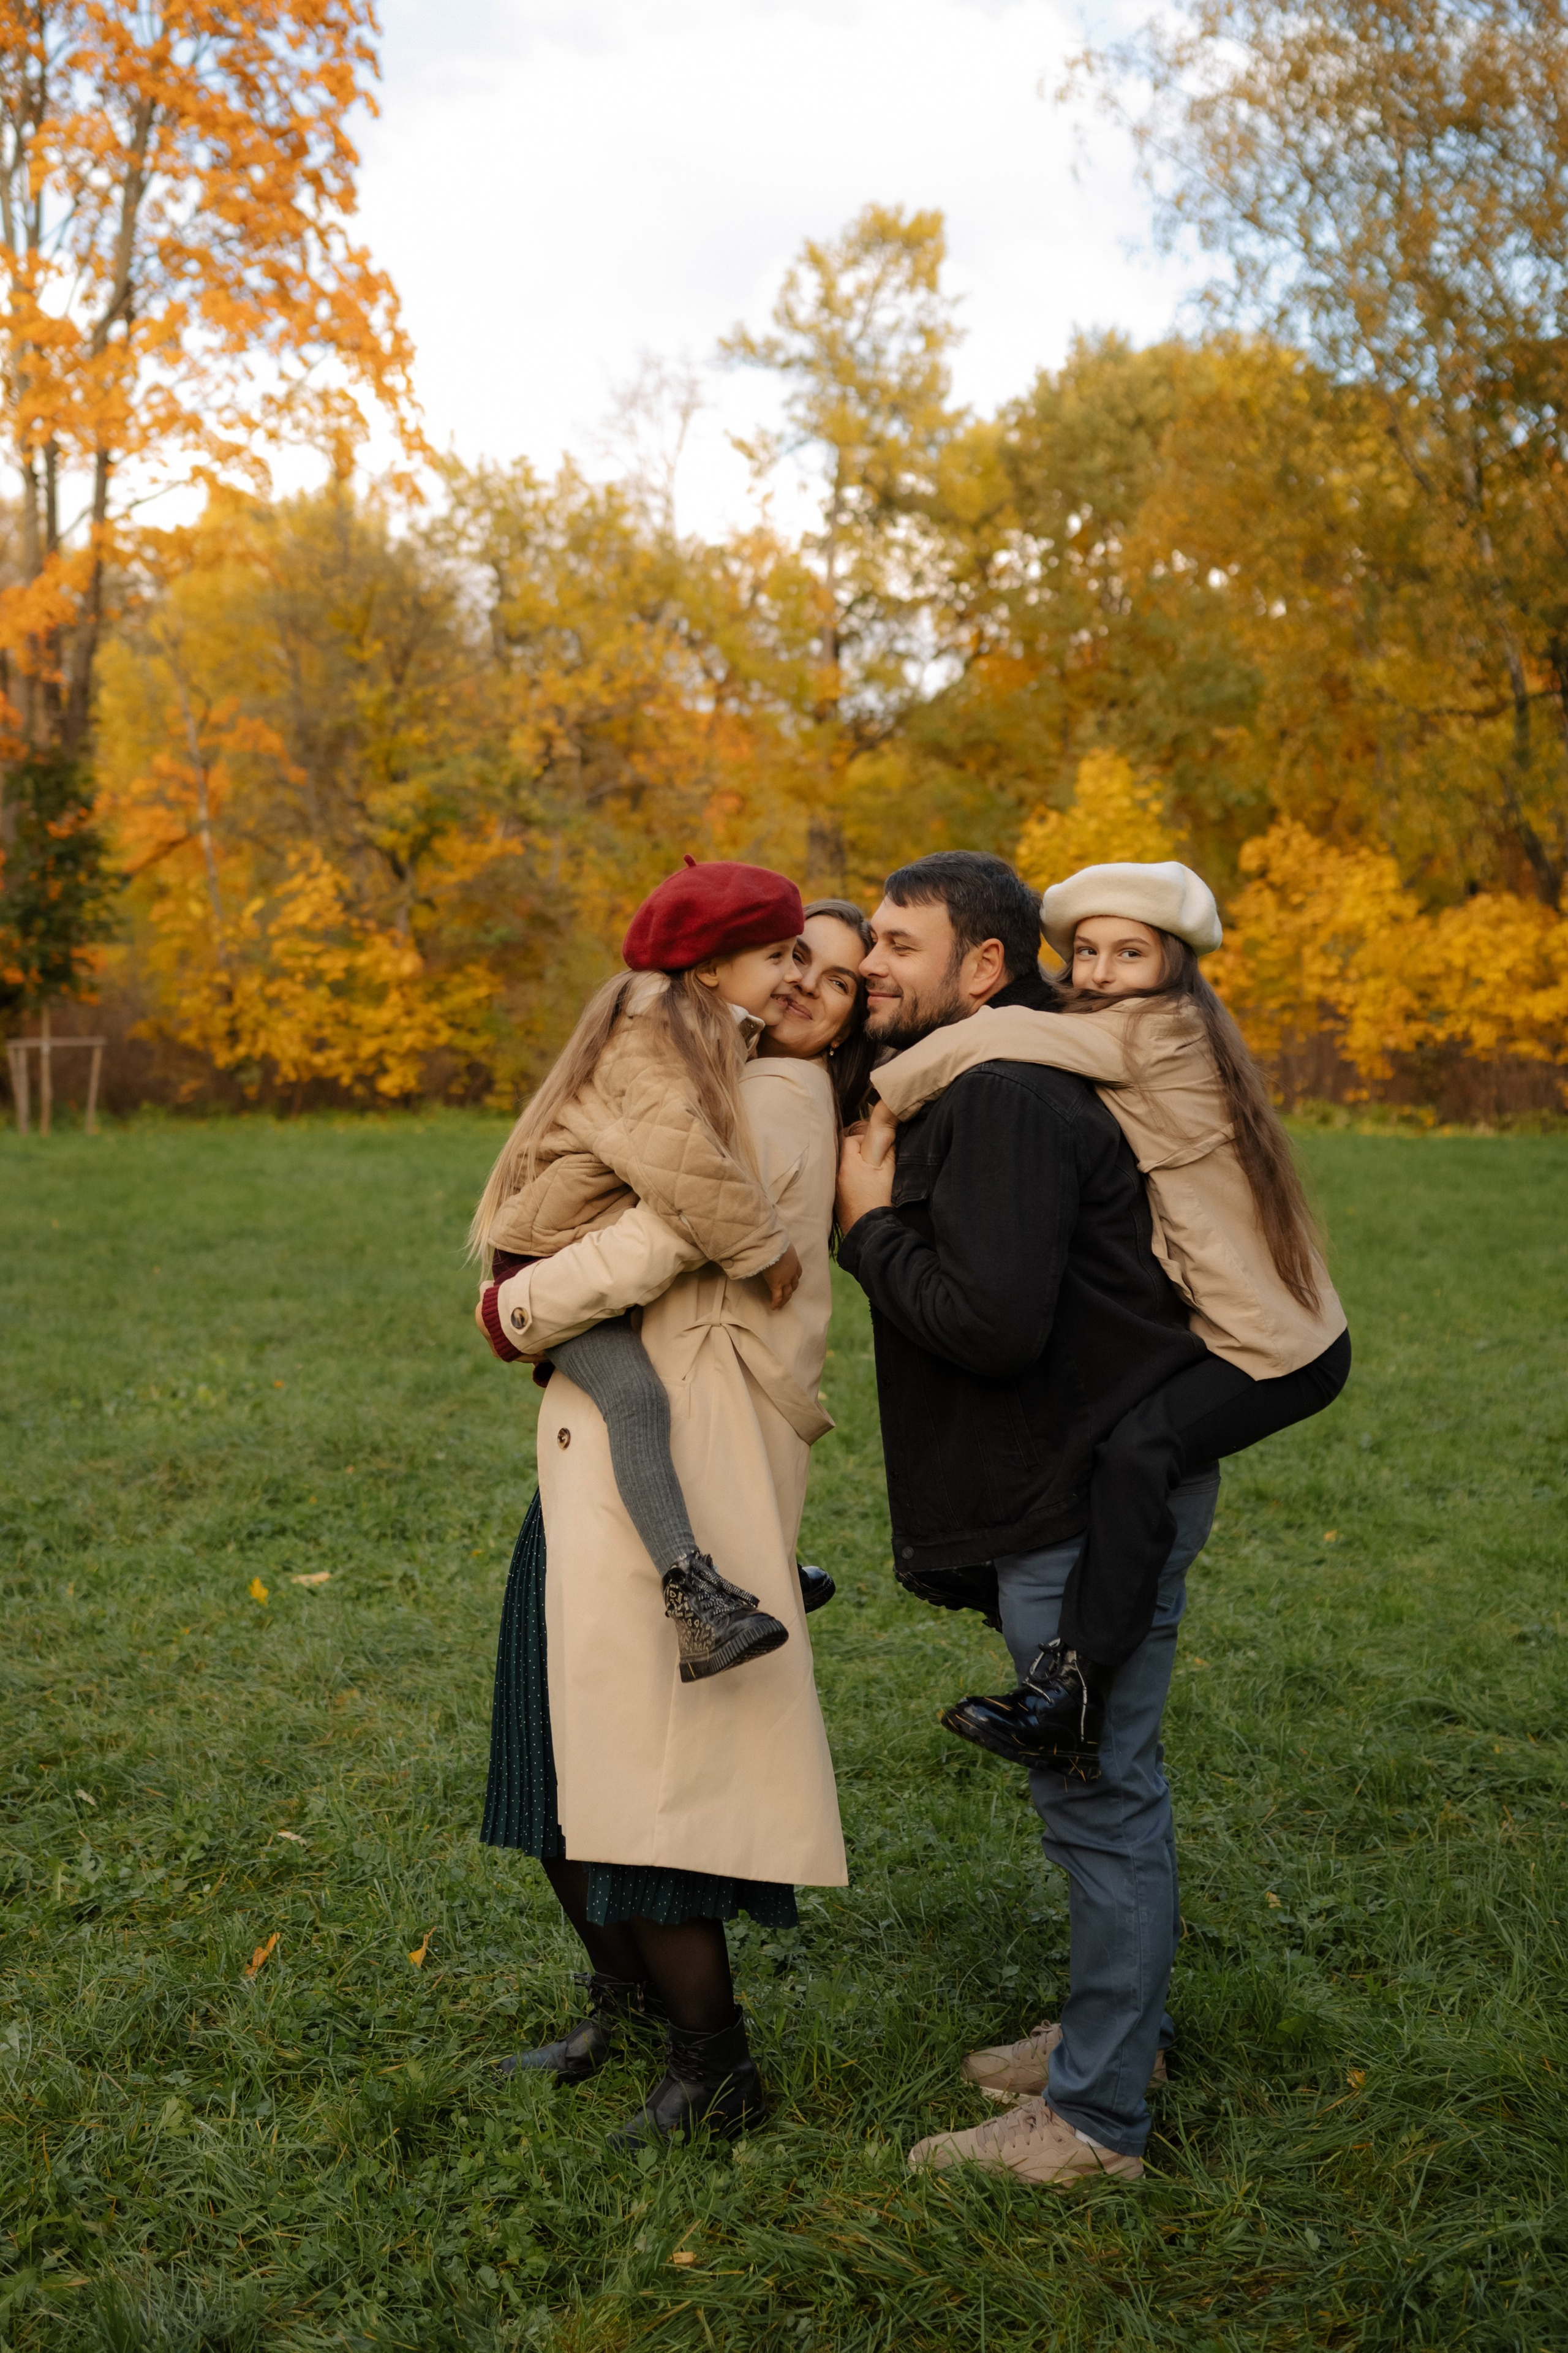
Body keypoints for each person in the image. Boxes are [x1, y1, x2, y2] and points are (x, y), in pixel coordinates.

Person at [832, 848, 1218, 2188]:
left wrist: (867, 1226)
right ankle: (1123, 2035)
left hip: (1088, 1491)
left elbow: (991, 1328)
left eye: (893, 941)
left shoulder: (1001, 1093)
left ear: (984, 966)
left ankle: (1095, 2119)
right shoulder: (983, 1078)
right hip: (1076, 1479)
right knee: (1098, 1783)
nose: (869, 962)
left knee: (1096, 1790)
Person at [476, 896, 872, 2149]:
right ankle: (629, 2014)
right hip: (602, 1455)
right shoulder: (702, 1058)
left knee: (648, 1788)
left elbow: (659, 1232)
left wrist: (517, 1307)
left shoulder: (780, 1095)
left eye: (843, 977)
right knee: (555, 1758)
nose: (807, 981)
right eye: (793, 953)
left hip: (681, 1462)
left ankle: (712, 2065)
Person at [862, 859, 1349, 1769]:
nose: (1097, 974)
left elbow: (994, 1035)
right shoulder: (1129, 1022)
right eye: (1084, 952)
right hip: (1243, 1331)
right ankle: (1042, 1638)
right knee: (1135, 1445)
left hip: (1277, 1351)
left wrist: (878, 1111)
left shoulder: (1152, 1033)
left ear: (1174, 964)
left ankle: (1077, 1683)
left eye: (1129, 953)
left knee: (1141, 1452)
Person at [471, 857, 809, 1684]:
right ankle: (695, 1600)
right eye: (777, 957)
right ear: (710, 967)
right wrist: (763, 1247)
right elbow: (683, 1162)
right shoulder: (649, 1040)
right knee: (636, 1396)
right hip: (548, 1259)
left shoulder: (685, 1024)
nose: (793, 975)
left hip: (582, 1237)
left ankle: (757, 1562)